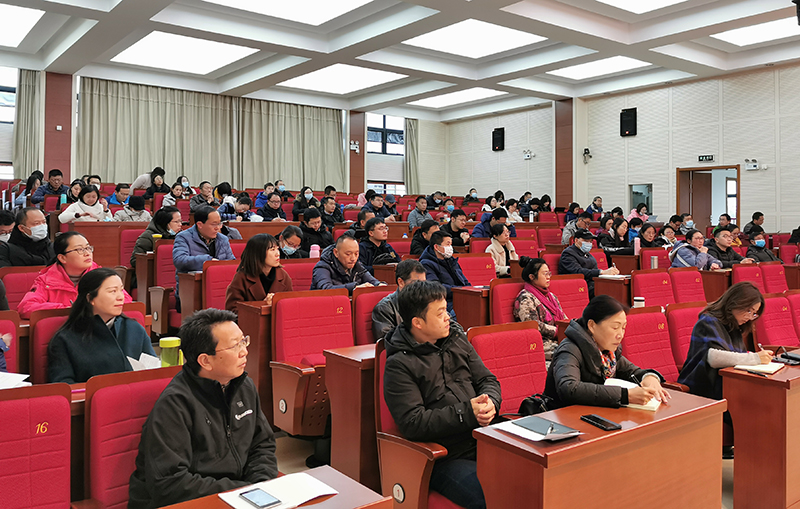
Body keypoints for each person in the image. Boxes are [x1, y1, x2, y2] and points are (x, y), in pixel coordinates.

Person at [128, 309, 278, 508]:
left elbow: (262, 445)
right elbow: (170, 484)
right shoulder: (174, 405)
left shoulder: (244, 386)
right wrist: (241, 491)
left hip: (237, 496)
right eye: (235, 346)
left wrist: (261, 485)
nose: (244, 351)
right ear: (205, 360)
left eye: (244, 341)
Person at [383, 280, 500, 509]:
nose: (448, 317)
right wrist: (468, 412)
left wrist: (491, 402)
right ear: (417, 322)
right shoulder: (399, 364)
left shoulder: (456, 338)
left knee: (532, 473)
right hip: (446, 454)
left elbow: (487, 380)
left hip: (484, 438)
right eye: (440, 314)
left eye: (446, 310)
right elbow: (413, 422)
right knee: (491, 496)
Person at [544, 295, 670, 409]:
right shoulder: (570, 349)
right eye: (615, 327)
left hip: (594, 415)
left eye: (623, 328)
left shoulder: (608, 353)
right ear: (592, 325)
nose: (620, 335)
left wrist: (649, 377)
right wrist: (625, 395)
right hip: (561, 419)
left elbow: (631, 372)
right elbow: (569, 388)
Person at [47, 268, 155, 384]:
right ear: (90, 298)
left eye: (121, 290)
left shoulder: (134, 329)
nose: (120, 297)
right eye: (113, 291)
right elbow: (64, 385)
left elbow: (153, 370)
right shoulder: (65, 339)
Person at [679, 282, 772, 403]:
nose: (750, 317)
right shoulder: (708, 322)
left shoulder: (734, 326)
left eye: (754, 314)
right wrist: (755, 358)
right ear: (735, 303)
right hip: (701, 390)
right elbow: (713, 358)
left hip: (725, 386)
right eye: (749, 311)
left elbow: (736, 358)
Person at [18, 232, 132, 319]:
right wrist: (69, 309)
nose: (87, 253)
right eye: (79, 249)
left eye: (88, 248)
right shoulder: (46, 280)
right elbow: (26, 307)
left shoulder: (101, 276)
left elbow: (126, 302)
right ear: (62, 258)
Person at [173, 207, 235, 308]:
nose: (218, 228)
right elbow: (179, 260)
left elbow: (231, 262)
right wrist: (208, 262)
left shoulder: (222, 239)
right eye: (214, 224)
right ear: (200, 225)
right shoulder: (183, 237)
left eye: (219, 223)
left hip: (220, 291)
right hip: (191, 295)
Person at [225, 234, 293, 314]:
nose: (277, 253)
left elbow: (289, 307)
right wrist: (262, 305)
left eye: (277, 249)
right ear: (259, 253)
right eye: (272, 250)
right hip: (250, 321)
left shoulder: (283, 276)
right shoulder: (241, 277)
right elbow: (232, 311)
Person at [514, 256, 566, 359]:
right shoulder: (525, 298)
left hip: (558, 338)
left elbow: (563, 318)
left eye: (549, 273)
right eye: (544, 274)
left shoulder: (552, 296)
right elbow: (533, 325)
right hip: (540, 343)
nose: (548, 277)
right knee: (569, 352)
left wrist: (570, 328)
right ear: (532, 277)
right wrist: (559, 331)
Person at [372, 259, 427, 341]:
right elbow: (387, 341)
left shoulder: (428, 302)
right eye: (416, 283)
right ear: (401, 282)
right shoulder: (384, 308)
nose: (421, 288)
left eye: (423, 283)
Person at [310, 234, 381, 294]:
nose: (353, 258)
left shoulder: (356, 265)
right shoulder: (322, 267)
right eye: (348, 254)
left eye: (356, 254)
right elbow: (326, 289)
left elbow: (373, 281)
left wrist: (379, 285)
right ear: (336, 253)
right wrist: (354, 287)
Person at [419, 231, 470, 314]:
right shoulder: (426, 264)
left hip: (460, 297)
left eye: (451, 244)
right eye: (447, 244)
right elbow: (435, 287)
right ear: (436, 247)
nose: (450, 248)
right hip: (444, 302)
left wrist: (471, 291)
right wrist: (459, 291)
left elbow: (464, 281)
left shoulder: (452, 261)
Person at [560, 229, 619, 297]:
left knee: (615, 287)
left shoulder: (587, 253)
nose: (589, 243)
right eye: (586, 241)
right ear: (576, 240)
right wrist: (601, 272)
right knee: (605, 292)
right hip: (578, 285)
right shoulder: (568, 254)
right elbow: (578, 272)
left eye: (590, 241)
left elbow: (594, 269)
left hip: (591, 282)